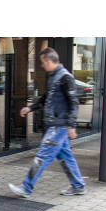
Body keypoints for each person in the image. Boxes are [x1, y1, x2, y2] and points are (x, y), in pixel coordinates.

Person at [8, 47, 86, 197]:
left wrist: (71, 126)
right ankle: (78, 185)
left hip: (59, 126)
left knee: (42, 156)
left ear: (49, 61)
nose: (42, 65)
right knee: (65, 156)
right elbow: (45, 99)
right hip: (56, 125)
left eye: (43, 62)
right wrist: (30, 108)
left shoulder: (65, 77)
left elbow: (73, 103)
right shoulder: (54, 77)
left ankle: (26, 187)